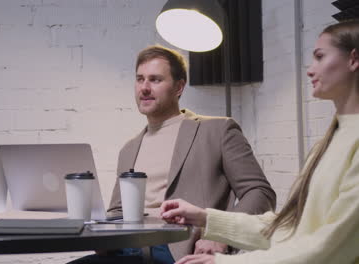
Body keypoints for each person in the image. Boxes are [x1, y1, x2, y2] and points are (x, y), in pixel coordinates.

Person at [160, 19, 359, 264]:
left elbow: (332, 248)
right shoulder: (328, 143)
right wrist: (204, 218)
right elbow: (288, 230)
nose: (310, 69)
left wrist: (225, 262)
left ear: (353, 60)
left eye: (320, 56)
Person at [71, 46, 276, 264]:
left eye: (155, 80)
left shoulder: (217, 131)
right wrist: (100, 238)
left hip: (177, 250)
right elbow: (117, 212)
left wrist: (220, 235)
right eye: (140, 79)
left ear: (179, 87)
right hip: (126, 251)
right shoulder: (129, 149)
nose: (145, 88)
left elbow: (260, 192)